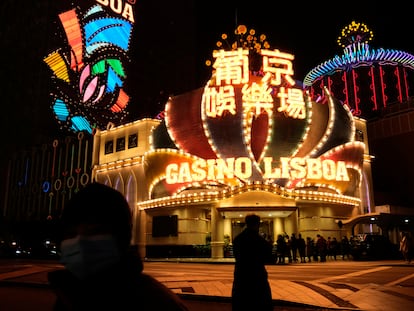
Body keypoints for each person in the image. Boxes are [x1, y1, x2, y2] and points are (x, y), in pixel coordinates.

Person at [48, 182, 189, 310]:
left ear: (120, 238)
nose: (80, 243)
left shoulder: (158, 303)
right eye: (71, 234)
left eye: (94, 232)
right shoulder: (68, 296)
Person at [231, 214, 273, 311]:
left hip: (241, 275)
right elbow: (268, 258)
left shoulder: (238, 239)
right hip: (257, 276)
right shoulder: (259, 240)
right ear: (257, 224)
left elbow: (237, 256)